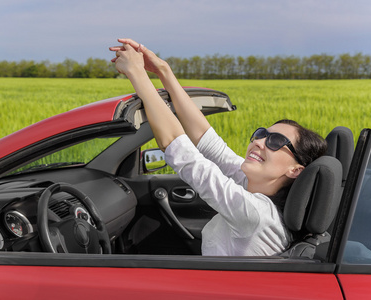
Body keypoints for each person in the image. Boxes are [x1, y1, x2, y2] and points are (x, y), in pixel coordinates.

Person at [109, 38, 327, 256]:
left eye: (276, 142)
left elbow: (182, 153)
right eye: (261, 134)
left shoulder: (257, 214)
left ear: (296, 169)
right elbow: (209, 143)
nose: (259, 142)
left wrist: (137, 74)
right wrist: (163, 71)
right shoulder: (255, 186)